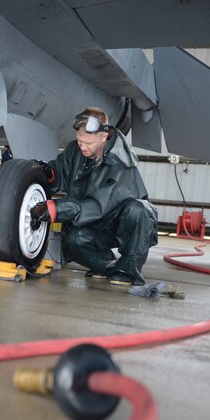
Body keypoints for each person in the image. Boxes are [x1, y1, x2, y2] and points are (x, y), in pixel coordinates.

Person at [30, 107, 158, 286]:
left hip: (121, 221)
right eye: (80, 140)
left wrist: (55, 208)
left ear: (104, 137)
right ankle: (105, 266)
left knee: (138, 210)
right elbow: (61, 170)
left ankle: (129, 268)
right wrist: (49, 172)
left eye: (88, 143)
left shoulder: (119, 162)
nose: (82, 146)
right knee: (75, 238)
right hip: (95, 221)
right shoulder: (76, 150)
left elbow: (98, 206)